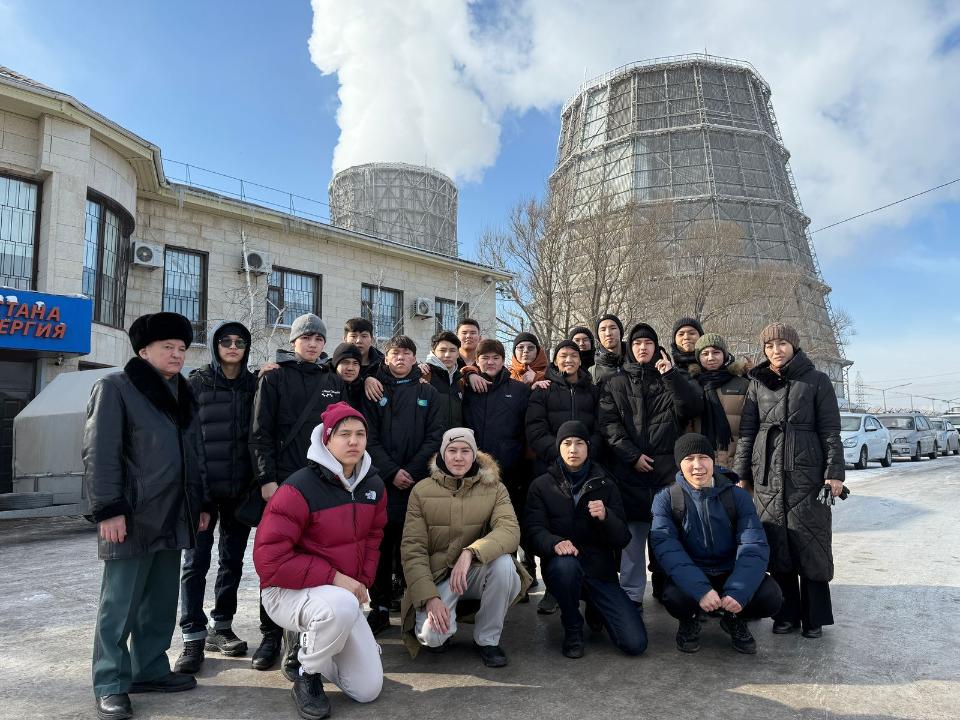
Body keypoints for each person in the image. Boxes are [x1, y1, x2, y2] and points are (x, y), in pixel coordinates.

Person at [84, 312, 209, 720]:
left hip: (173, 513)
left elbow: (195, 453)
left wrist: (200, 503)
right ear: (143, 351)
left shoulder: (183, 391)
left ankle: (150, 669)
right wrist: (109, 509)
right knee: (119, 605)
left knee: (159, 601)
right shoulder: (116, 387)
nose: (177, 354)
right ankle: (110, 682)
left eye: (181, 348)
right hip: (132, 516)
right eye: (167, 347)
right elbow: (99, 452)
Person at [254, 402, 387, 719]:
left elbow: (373, 537)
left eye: (360, 434)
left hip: (339, 598)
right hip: (285, 591)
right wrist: (338, 579)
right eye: (344, 434)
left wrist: (362, 582)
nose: (353, 441)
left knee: (367, 690)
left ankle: (311, 642)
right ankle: (306, 672)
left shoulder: (373, 486)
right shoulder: (298, 488)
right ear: (326, 439)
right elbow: (269, 561)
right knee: (340, 606)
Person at [733, 323, 845, 639]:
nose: (776, 350)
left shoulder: (817, 380)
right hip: (767, 475)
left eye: (782, 344)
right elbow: (747, 433)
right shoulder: (758, 383)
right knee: (777, 544)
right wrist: (742, 475)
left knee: (811, 543)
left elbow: (830, 431)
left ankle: (814, 618)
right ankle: (786, 615)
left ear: (794, 346)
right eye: (769, 346)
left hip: (807, 476)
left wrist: (834, 472)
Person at [249, 313, 345, 675]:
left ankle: (301, 642)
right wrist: (266, 479)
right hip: (283, 484)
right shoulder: (274, 376)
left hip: (322, 485)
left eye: (319, 339)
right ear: (293, 342)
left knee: (314, 559)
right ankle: (270, 635)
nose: (313, 344)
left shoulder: (332, 380)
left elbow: (342, 432)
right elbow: (260, 432)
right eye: (307, 338)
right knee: (276, 560)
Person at [400, 428, 527, 667]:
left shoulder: (495, 488)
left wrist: (471, 553)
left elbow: (510, 531)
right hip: (438, 578)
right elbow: (412, 550)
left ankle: (487, 639)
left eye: (465, 451)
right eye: (452, 451)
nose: (458, 457)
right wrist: (429, 598)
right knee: (432, 638)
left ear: (474, 454)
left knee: (504, 566)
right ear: (442, 453)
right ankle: (445, 622)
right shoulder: (421, 491)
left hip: (473, 571)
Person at [599, 323, 703, 609]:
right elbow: (608, 425)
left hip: (665, 473)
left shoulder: (669, 377)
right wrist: (632, 456)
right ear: (629, 348)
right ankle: (632, 595)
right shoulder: (615, 382)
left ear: (656, 347)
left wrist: (671, 376)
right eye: (636, 343)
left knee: (667, 535)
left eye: (648, 343)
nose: (642, 348)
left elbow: (690, 409)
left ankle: (668, 590)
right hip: (628, 472)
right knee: (632, 540)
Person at [174, 322, 257, 675]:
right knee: (195, 563)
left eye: (240, 342)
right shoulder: (196, 383)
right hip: (202, 494)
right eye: (226, 341)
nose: (233, 346)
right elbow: (186, 441)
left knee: (232, 562)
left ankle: (221, 626)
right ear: (215, 345)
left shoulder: (255, 385)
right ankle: (192, 635)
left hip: (240, 493)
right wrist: (197, 494)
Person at [651, 434, 783, 654]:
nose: (697, 465)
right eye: (689, 459)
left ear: (713, 461)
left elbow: (754, 546)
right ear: (679, 464)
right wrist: (700, 589)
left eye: (703, 457)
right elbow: (668, 549)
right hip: (694, 570)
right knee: (674, 597)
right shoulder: (666, 498)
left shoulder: (738, 496)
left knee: (771, 597)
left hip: (731, 571)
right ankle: (690, 619)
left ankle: (734, 618)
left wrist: (739, 590)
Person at [525, 421, 646, 659]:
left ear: (588, 447)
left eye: (579, 443)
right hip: (562, 568)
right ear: (559, 448)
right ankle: (573, 627)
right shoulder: (541, 485)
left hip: (600, 572)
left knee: (635, 643)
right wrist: (554, 542)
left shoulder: (606, 483)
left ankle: (595, 607)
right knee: (566, 567)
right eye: (567, 443)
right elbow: (532, 531)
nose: (573, 449)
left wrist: (607, 517)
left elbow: (623, 537)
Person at [363, 335, 445, 636]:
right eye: (395, 353)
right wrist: (391, 471)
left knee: (415, 545)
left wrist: (410, 470)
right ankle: (381, 607)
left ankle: (415, 605)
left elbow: (435, 436)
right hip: (381, 481)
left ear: (414, 358)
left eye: (406, 353)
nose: (400, 358)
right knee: (380, 546)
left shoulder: (428, 392)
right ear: (386, 358)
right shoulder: (373, 390)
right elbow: (367, 436)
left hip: (417, 482)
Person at [461, 339, 534, 581]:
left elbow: (528, 430)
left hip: (511, 472)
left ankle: (516, 579)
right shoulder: (467, 389)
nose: (490, 362)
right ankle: (480, 579)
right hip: (474, 471)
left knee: (509, 526)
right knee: (477, 528)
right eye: (485, 358)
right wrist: (468, 374)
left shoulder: (520, 390)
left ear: (503, 360)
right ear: (477, 361)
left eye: (495, 358)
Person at [689, 333, 749, 470]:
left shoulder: (742, 384)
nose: (711, 358)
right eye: (705, 354)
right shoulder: (692, 386)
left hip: (735, 463)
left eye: (716, 352)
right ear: (698, 358)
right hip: (701, 464)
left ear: (725, 355)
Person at [420, 330, 464, 431]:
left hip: (455, 439)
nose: (447, 355)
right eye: (442, 350)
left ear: (458, 353)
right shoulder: (423, 374)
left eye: (452, 350)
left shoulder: (460, 380)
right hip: (430, 439)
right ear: (433, 351)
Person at [591, 314, 626, 386]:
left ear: (620, 331)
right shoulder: (593, 373)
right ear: (598, 336)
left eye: (613, 328)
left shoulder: (635, 360)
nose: (608, 333)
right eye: (603, 330)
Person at [331, 342, 364, 411]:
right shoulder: (324, 386)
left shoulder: (366, 389)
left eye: (355, 363)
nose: (350, 368)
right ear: (335, 365)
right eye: (345, 362)